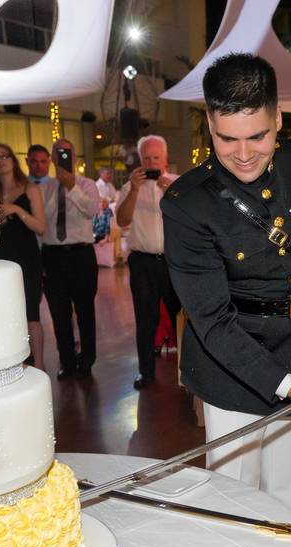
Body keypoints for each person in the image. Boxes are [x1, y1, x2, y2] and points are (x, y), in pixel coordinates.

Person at [161, 53, 291, 525]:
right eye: (227, 138)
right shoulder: (187, 204)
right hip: (230, 365)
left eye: (258, 136)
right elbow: (211, 319)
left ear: (278, 118)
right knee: (234, 503)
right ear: (208, 123)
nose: (244, 153)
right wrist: (288, 386)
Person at [115, 135, 182, 390]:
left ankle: (189, 371)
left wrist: (172, 193)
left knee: (183, 317)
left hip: (174, 262)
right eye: (146, 158)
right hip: (142, 262)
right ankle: (146, 372)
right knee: (145, 319)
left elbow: (191, 221)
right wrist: (133, 190)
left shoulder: (177, 184)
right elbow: (122, 221)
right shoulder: (130, 187)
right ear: (140, 160)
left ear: (165, 159)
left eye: (156, 157)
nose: (151, 162)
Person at [40, 138, 101, 379]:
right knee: (59, 312)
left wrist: (71, 186)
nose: (63, 157)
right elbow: (43, 220)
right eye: (58, 153)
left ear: (75, 158)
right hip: (53, 256)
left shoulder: (87, 185)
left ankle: (87, 359)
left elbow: (90, 210)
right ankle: (66, 360)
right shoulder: (44, 187)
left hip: (82, 255)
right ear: (53, 159)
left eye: (67, 153)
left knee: (85, 310)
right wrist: (61, 186)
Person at [0, 142, 47, 370]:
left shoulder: (30, 188)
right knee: (6, 314)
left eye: (5, 156)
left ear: (13, 160)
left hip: (27, 258)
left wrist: (17, 210)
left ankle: (40, 366)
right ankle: (16, 364)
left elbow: (41, 227)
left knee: (31, 313)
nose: (1, 161)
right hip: (0, 258)